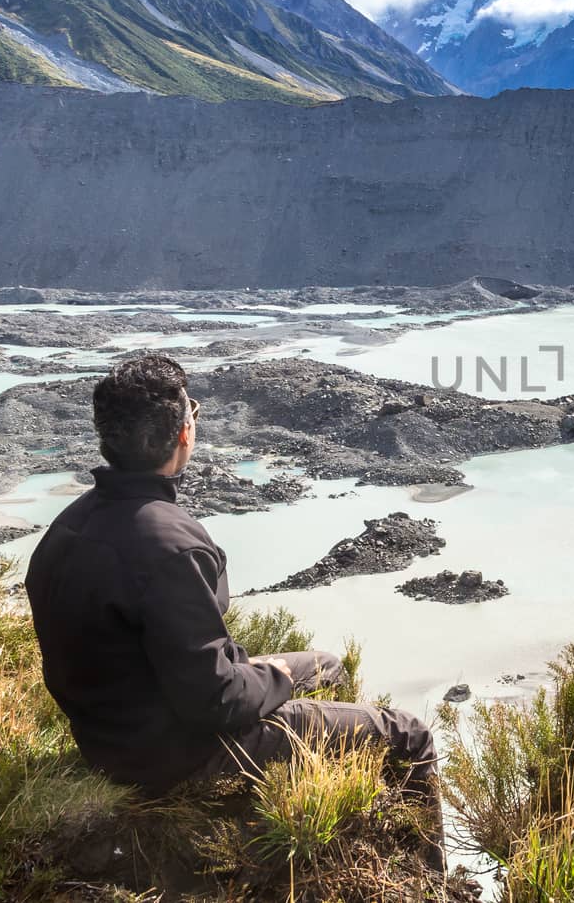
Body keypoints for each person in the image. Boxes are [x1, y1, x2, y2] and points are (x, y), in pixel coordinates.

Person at [24, 354, 444, 868]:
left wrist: (267, 676)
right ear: (184, 432)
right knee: (409, 735)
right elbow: (216, 702)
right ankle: (426, 877)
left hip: (106, 734)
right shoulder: (171, 546)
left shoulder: (68, 525)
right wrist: (279, 676)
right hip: (172, 754)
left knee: (329, 665)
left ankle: (316, 805)